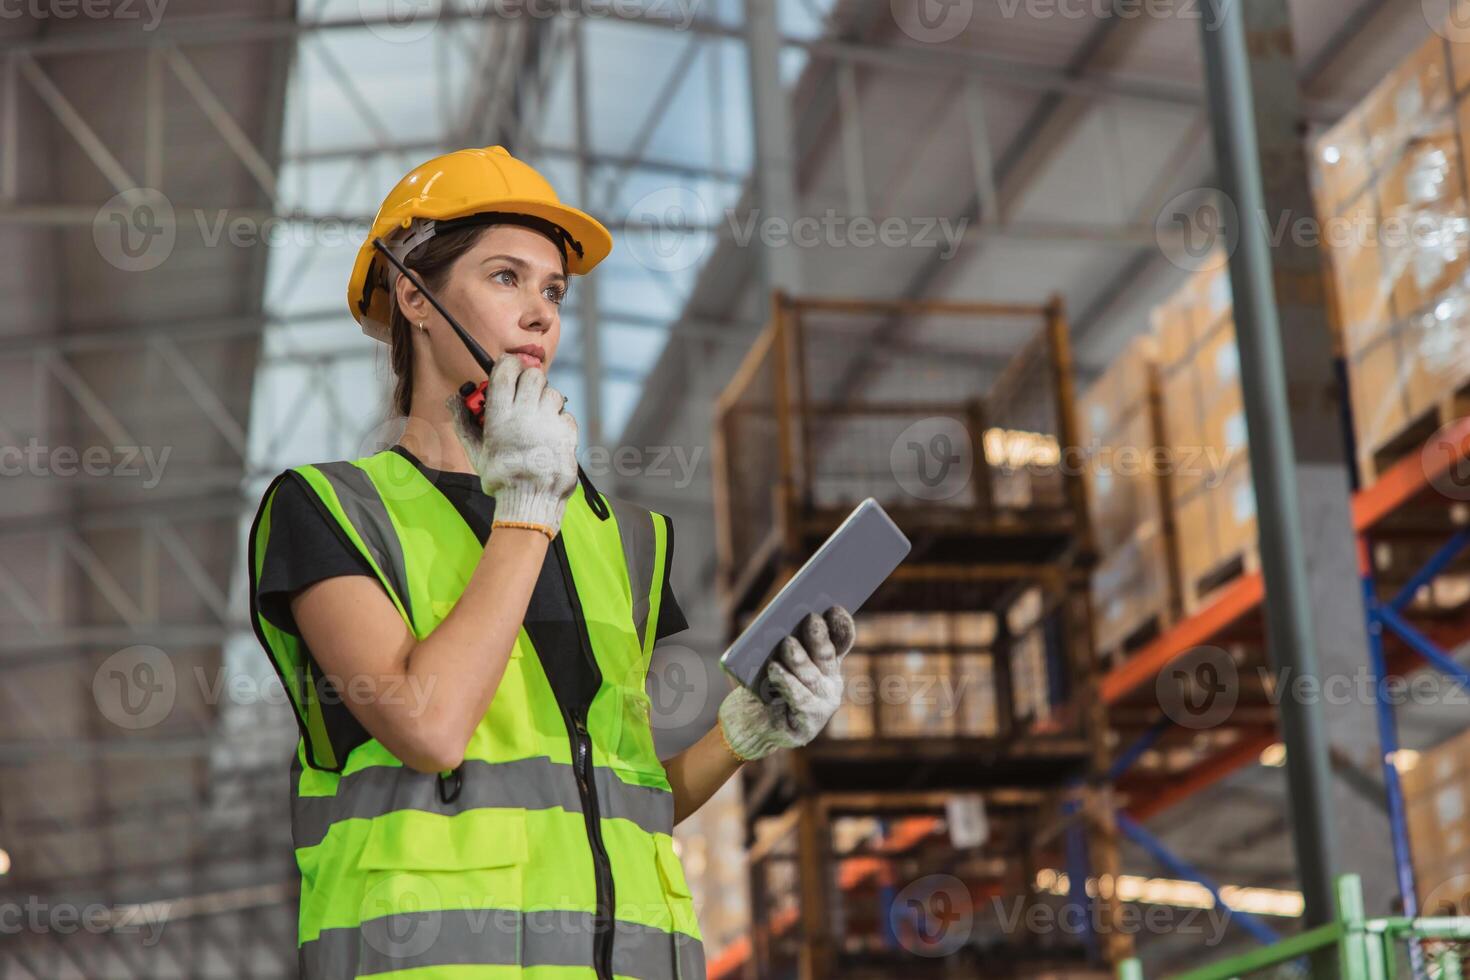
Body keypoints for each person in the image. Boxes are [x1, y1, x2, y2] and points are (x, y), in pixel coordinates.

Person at [245, 145, 858, 980]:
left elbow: (619, 800)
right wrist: (528, 508)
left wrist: (745, 733)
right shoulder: (330, 512)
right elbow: (428, 726)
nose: (540, 313)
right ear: (417, 298)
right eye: (505, 278)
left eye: (553, 290)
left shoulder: (618, 538)